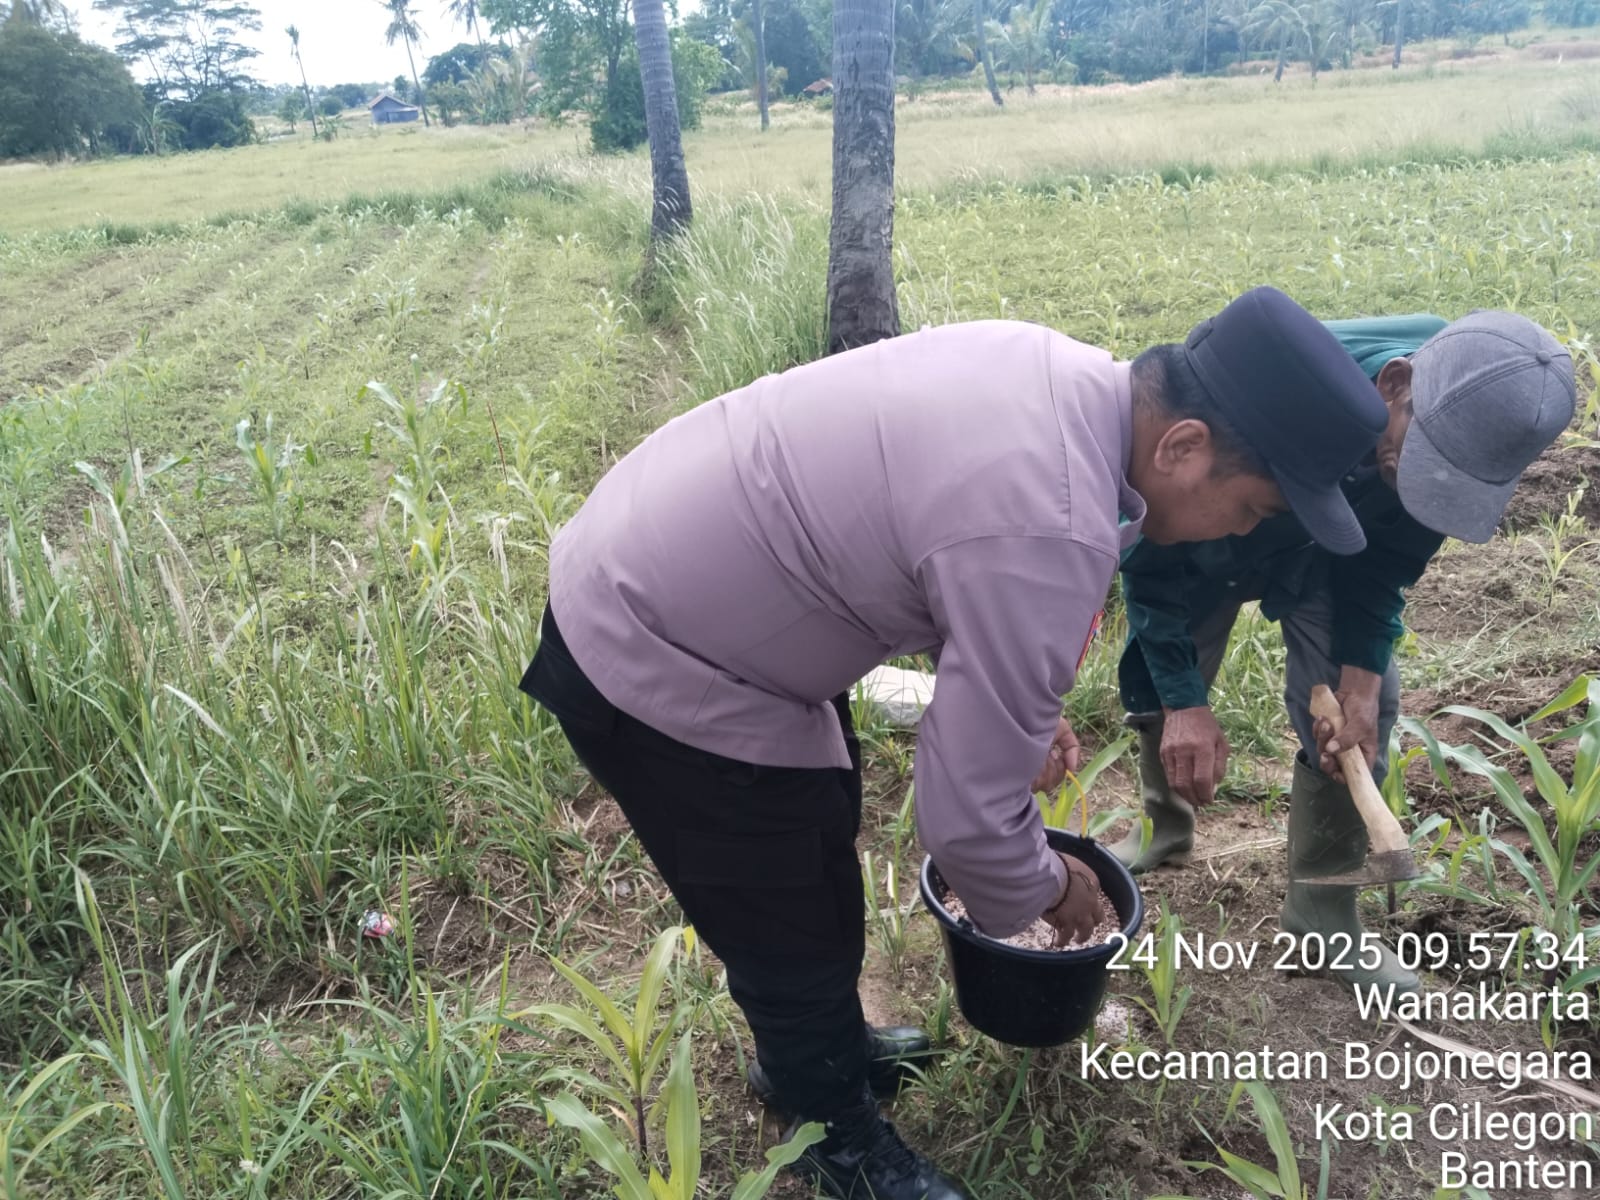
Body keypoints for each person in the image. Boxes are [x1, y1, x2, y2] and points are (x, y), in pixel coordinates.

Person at [518, 286, 1389, 1200]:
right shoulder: (1051, 518)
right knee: (782, 900)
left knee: (818, 829)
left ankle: (825, 1049)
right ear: (1182, 447)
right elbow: (967, 824)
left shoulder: (1059, 374)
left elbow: (936, 536)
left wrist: (1016, 706)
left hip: (675, 561)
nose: (1244, 532)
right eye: (1252, 508)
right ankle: (830, 1127)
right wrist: (1056, 888)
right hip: (658, 641)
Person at [1111, 310, 1577, 998]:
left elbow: (1384, 567)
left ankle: (1321, 917)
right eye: (1419, 459)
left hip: (1330, 553)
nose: (1422, 483)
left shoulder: (1459, 435)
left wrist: (1359, 677)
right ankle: (1163, 827)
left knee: (1367, 710)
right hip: (1203, 535)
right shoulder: (1269, 388)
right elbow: (1151, 556)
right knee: (1164, 677)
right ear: (1395, 384)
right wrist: (1185, 703)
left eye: (1447, 480)